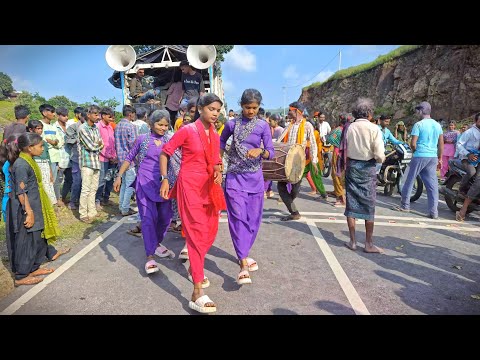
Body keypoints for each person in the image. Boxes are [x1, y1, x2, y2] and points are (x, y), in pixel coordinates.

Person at [160, 93, 226, 314]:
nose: (215, 113)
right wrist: (165, 179)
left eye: (218, 109)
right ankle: (197, 291)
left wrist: (218, 170)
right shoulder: (187, 130)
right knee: (197, 235)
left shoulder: (215, 134)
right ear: (200, 108)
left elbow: (216, 159)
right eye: (212, 109)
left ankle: (194, 266)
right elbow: (165, 152)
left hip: (210, 188)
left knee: (209, 233)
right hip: (190, 187)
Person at [220, 88, 274, 285]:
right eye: (247, 107)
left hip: (255, 179)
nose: (251, 111)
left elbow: (271, 152)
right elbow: (220, 141)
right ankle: (243, 263)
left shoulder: (263, 126)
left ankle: (243, 251)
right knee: (237, 219)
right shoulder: (231, 124)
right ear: (241, 105)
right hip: (234, 178)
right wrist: (219, 160)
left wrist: (260, 150)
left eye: (254, 108)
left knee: (253, 220)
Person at [114, 110, 175, 274]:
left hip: (164, 185)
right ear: (151, 124)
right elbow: (129, 158)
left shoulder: (170, 140)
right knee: (148, 219)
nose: (163, 128)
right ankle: (150, 258)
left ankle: (155, 244)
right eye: (159, 124)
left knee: (165, 219)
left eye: (165, 125)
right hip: (144, 184)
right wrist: (119, 176)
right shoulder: (142, 139)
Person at [6, 133, 63, 286]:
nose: (42, 149)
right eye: (40, 146)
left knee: (38, 237)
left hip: (36, 205)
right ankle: (22, 275)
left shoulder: (29, 160)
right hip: (25, 208)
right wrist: (29, 213)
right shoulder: (21, 165)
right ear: (30, 148)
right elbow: (21, 192)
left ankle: (33, 267)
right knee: (27, 241)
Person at [342, 98, 385, 253]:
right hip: (368, 169)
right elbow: (379, 154)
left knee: (351, 203)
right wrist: (381, 159)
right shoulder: (374, 129)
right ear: (369, 113)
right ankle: (368, 243)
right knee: (369, 205)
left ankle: (352, 241)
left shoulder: (349, 127)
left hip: (352, 167)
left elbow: (344, 149)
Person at [393, 101, 443, 219]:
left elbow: (413, 143)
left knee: (409, 180)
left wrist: (414, 151)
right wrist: (440, 157)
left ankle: (405, 206)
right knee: (432, 185)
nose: (417, 113)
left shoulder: (418, 125)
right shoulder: (437, 125)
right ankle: (433, 212)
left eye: (418, 110)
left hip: (420, 155)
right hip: (432, 156)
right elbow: (441, 144)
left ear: (421, 111)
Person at [277, 101, 319, 220]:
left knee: (295, 188)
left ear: (297, 111)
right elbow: (280, 139)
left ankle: (290, 204)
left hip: (299, 160)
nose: (289, 112)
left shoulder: (307, 125)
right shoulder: (289, 125)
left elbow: (313, 144)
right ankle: (294, 212)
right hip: (286, 160)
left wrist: (314, 161)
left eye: (290, 110)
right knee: (281, 186)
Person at [78, 105, 104, 223]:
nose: (97, 117)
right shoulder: (83, 128)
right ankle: (83, 214)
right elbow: (91, 146)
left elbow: (101, 144)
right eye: (95, 114)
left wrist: (97, 145)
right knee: (85, 189)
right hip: (87, 163)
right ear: (88, 115)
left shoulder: (95, 128)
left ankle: (92, 211)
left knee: (93, 189)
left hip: (96, 162)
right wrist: (97, 145)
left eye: (98, 114)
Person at [114, 105, 138, 216]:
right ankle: (125, 208)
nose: (134, 116)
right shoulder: (130, 126)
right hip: (130, 160)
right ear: (130, 114)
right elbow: (133, 144)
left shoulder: (117, 125)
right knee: (130, 185)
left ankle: (121, 206)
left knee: (124, 184)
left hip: (120, 159)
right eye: (133, 114)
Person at [27, 120, 57, 206]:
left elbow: (48, 158)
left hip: (45, 165)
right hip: (36, 164)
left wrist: (50, 171)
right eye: (38, 129)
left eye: (41, 129)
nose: (40, 130)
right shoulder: (29, 143)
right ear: (31, 130)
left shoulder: (43, 142)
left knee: (48, 185)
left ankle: (49, 205)